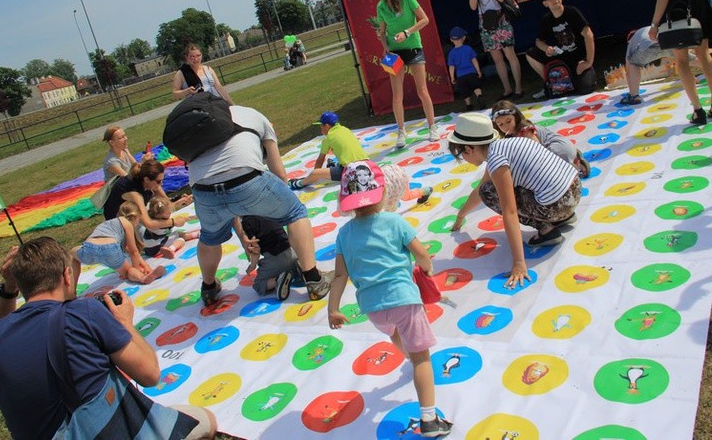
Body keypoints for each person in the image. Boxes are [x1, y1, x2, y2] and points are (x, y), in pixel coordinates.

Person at [0, 237, 217, 439]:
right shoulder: (83, 312)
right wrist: (126, 323)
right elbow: (150, 375)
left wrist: (9, 288)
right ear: (67, 276)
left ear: (20, 285)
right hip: (101, 429)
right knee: (205, 419)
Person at [327, 161, 453, 438]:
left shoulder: (343, 234)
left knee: (396, 333)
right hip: (403, 299)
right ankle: (429, 419)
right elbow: (420, 253)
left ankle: (407, 354)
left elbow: (339, 276)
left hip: (372, 308)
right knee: (422, 358)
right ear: (383, 193)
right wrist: (426, 267)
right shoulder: (395, 221)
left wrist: (333, 309)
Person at [188, 104, 333, 306]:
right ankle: (313, 279)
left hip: (202, 189)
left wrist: (242, 234)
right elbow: (279, 172)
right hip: (246, 178)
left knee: (209, 237)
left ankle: (209, 288)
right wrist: (279, 200)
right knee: (295, 212)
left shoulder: (201, 126)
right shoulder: (256, 116)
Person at [448, 113, 581, 288]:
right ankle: (564, 217)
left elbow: (509, 211)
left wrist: (519, 263)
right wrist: (460, 216)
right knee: (488, 188)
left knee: (488, 192)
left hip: (557, 204)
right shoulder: (508, 144)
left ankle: (547, 229)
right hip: (574, 191)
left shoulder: (496, 161)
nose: (462, 160)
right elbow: (478, 189)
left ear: (469, 149)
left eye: (460, 155)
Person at [368, 0, 438, 148]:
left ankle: (432, 126)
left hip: (413, 48)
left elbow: (425, 20)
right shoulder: (380, 7)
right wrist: (385, 47)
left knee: (422, 91)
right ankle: (401, 131)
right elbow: (382, 32)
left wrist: (407, 32)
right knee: (397, 95)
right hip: (394, 54)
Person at [623, 26, 712, 106]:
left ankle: (634, 96)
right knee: (691, 60)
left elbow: (629, 71)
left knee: (634, 64)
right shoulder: (645, 30)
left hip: (647, 47)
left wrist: (631, 89)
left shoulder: (632, 43)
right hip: (665, 41)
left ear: (629, 40)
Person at [468, 0, 523, 99]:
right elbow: (473, 6)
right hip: (485, 22)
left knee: (510, 54)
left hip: (500, 19)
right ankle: (507, 89)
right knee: (497, 58)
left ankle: (518, 88)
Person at [72, 201, 166, 284]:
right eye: (139, 220)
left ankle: (71, 290)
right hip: (110, 249)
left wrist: (144, 265)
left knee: (72, 254)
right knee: (128, 271)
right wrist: (137, 269)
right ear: (136, 217)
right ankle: (143, 278)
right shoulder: (127, 223)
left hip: (89, 249)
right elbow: (134, 252)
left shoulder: (109, 223)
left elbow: (129, 251)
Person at [526, 0, 596, 98]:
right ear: (545, 4)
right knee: (530, 53)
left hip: (579, 59)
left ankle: (567, 82)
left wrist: (588, 62)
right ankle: (550, 83)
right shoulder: (546, 19)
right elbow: (538, 41)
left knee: (586, 88)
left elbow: (589, 35)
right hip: (560, 59)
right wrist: (546, 48)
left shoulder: (572, 12)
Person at [491, 100, 591, 178]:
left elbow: (538, 150)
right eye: (500, 124)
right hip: (559, 149)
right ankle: (573, 159)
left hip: (557, 148)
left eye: (508, 121)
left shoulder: (525, 130)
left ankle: (574, 167)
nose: (505, 126)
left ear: (516, 117)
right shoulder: (510, 136)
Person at [288, 111, 369, 190]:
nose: (321, 130)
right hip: (367, 165)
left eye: (321, 127)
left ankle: (298, 184)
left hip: (352, 171)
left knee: (315, 173)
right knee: (338, 163)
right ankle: (332, 168)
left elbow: (321, 159)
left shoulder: (328, 138)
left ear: (326, 126)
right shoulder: (345, 129)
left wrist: (316, 174)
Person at [102, 158, 193, 229]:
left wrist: (180, 200)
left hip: (133, 214)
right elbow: (148, 223)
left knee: (161, 214)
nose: (161, 184)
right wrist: (174, 221)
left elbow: (166, 202)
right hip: (118, 223)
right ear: (146, 179)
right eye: (158, 181)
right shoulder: (135, 193)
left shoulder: (149, 182)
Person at [234, 215, 298, 301]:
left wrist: (252, 265)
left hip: (276, 259)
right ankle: (299, 269)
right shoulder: (267, 211)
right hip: (293, 252)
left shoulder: (247, 223)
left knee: (259, 285)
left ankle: (278, 280)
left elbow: (256, 250)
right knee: (266, 262)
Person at [447, 26, 485, 111]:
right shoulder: (468, 48)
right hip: (471, 73)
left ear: (451, 39)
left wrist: (452, 77)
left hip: (461, 76)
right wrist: (478, 71)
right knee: (476, 87)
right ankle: (479, 96)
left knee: (465, 92)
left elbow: (451, 67)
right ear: (464, 38)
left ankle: (469, 105)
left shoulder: (451, 53)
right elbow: (474, 60)